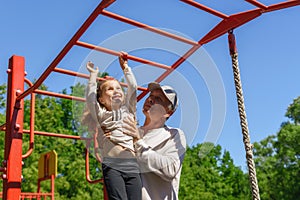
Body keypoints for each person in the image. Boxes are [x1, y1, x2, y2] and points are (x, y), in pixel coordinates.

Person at [83, 51, 142, 200]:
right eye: (110, 89)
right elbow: (90, 99)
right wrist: (93, 76)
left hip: (131, 165)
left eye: (118, 88)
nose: (115, 91)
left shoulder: (128, 110)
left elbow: (133, 87)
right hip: (112, 165)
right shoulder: (102, 114)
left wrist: (125, 67)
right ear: (102, 100)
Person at [122, 82, 187, 200]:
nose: (151, 100)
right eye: (150, 95)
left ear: (168, 112)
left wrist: (138, 142)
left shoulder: (173, 135)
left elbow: (170, 169)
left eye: (159, 99)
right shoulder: (131, 131)